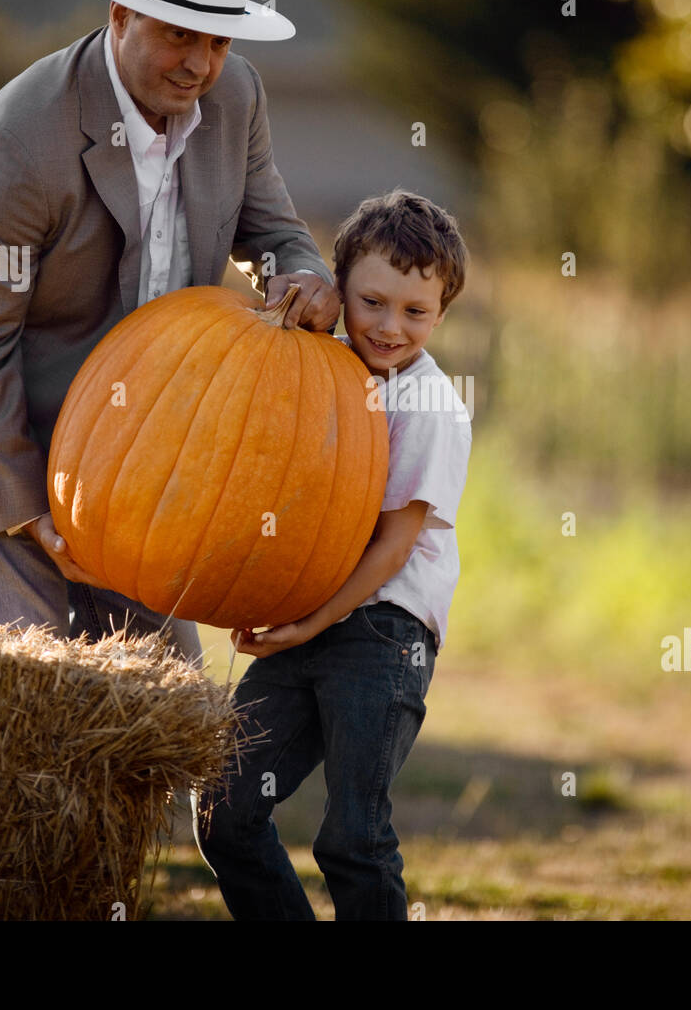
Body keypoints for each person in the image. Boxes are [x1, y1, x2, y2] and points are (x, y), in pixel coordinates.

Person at [0, 0, 339, 656]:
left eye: (217, 40)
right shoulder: (11, 149)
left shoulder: (235, 97)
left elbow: (272, 231)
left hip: (136, 447)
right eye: (179, 34)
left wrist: (305, 277)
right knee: (31, 687)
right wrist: (29, 511)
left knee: (162, 680)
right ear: (123, 15)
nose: (199, 64)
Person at [195, 189, 472, 920]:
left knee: (353, 837)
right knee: (223, 808)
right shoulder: (323, 370)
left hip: (383, 635)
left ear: (440, 314)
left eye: (415, 312)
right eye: (372, 302)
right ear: (338, 287)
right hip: (306, 615)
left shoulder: (429, 406)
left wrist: (312, 622)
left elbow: (393, 545)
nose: (389, 326)